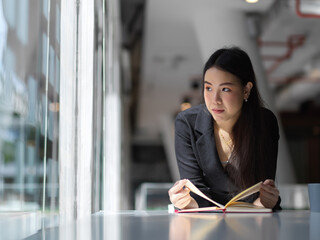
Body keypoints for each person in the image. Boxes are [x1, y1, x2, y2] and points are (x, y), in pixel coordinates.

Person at [168, 46, 281, 210]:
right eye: (208, 88)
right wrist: (183, 201)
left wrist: (265, 201)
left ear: (246, 90)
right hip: (204, 222)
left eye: (225, 89)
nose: (215, 100)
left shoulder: (265, 122)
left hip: (252, 222)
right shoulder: (187, 124)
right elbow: (195, 192)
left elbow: (262, 191)